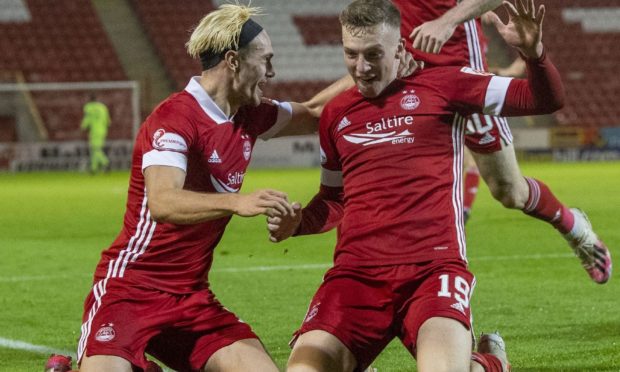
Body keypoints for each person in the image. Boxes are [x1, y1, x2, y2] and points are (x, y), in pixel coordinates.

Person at [70, 4, 370, 371]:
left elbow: (314, 111)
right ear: (233, 61)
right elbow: (163, 202)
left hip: (191, 299)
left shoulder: (248, 114)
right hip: (129, 290)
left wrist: (369, 65)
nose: (272, 73)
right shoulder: (174, 118)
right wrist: (236, 202)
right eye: (266, 61)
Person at [268, 0, 563, 370]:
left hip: (433, 271)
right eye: (351, 54)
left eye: (374, 54)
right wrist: (298, 224)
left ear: (400, 49)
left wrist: (534, 54)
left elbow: (544, 99)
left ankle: (490, 363)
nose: (361, 68)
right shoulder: (335, 113)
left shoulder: (448, 86)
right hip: (356, 276)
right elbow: (334, 199)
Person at [397, 0, 612, 283]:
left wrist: (449, 20)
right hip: (408, 81)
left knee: (510, 191)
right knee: (407, 189)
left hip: (461, 80)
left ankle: (574, 226)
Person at [81, 94, 111, 173]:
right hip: (103, 130)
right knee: (95, 148)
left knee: (95, 148)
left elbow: (87, 119)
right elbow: (107, 121)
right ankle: (93, 168)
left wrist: (83, 126)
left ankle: (105, 162)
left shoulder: (88, 107)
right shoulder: (102, 107)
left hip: (94, 130)